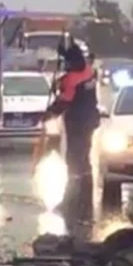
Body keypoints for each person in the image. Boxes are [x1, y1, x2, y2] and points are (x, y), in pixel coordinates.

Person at [43, 43, 99, 215]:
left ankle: (72, 201)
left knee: (74, 160)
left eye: (67, 62)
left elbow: (65, 101)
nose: (66, 65)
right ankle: (85, 200)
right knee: (84, 160)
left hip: (77, 122)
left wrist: (49, 112)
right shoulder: (88, 72)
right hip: (89, 119)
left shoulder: (73, 78)